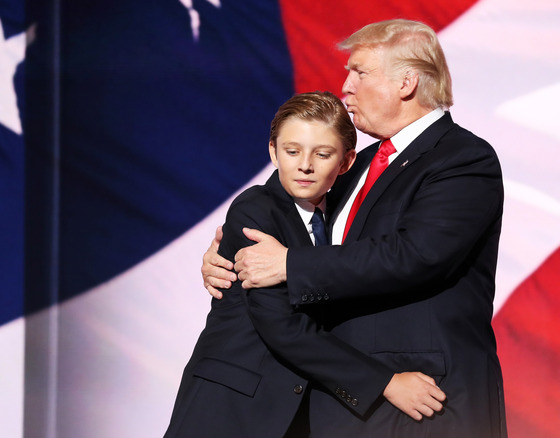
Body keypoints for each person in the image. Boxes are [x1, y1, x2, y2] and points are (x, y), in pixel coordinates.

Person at [203, 19, 507, 437]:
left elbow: (417, 254)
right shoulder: (355, 165)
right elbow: (282, 203)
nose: (345, 86)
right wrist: (228, 250)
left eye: (359, 72)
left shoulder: (461, 159)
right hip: (345, 403)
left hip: (426, 401)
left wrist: (291, 265)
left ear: (406, 82)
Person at [165, 91, 446, 438]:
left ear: (345, 162)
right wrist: (385, 382)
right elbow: (280, 324)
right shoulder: (255, 210)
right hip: (229, 407)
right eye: (292, 151)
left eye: (323, 154)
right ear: (273, 151)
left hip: (298, 413)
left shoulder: (344, 217)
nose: (305, 165)